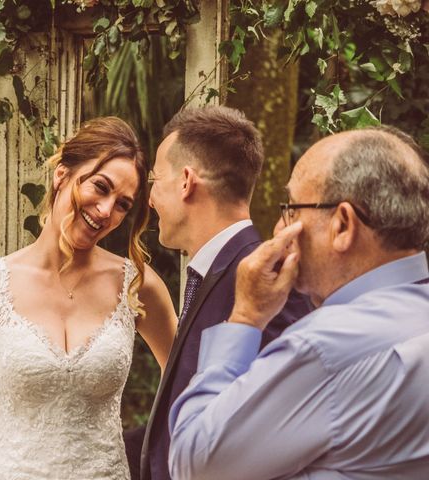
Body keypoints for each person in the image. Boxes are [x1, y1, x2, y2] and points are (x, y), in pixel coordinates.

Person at [168, 126, 429, 479]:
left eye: (291, 209)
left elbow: (194, 463)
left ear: (342, 225)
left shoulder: (326, 347)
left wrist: (245, 317)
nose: (278, 227)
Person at [0, 117, 178, 480]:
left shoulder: (137, 285)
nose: (107, 211)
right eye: (100, 187)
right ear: (62, 174)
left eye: (123, 204)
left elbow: (188, 385)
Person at [136, 106, 312, 480]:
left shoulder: (268, 283)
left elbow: (272, 434)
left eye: (155, 179)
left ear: (186, 181)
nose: (149, 199)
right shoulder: (210, 273)